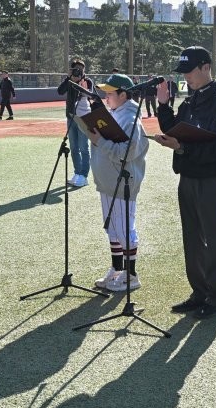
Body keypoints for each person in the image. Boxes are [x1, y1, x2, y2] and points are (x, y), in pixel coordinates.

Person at [153, 46, 216, 319]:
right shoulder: (189, 103)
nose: (186, 77)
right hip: (188, 178)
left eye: (189, 71)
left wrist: (182, 148)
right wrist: (164, 106)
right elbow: (174, 130)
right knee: (192, 239)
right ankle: (199, 292)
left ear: (205, 67)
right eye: (183, 72)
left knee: (214, 240)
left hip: (211, 181)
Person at [86, 74, 149, 292]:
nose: (106, 97)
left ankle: (131, 275)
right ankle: (116, 269)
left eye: (110, 93)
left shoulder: (130, 119)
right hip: (107, 182)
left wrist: (99, 141)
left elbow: (126, 153)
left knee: (124, 230)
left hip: (122, 184)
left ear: (123, 95)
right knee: (113, 230)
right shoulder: (116, 114)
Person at [56, 59, 94, 188]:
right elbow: (60, 91)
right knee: (74, 148)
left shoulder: (87, 81)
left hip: (84, 118)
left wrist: (84, 87)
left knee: (84, 147)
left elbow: (92, 97)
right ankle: (77, 173)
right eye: (76, 69)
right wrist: (68, 78)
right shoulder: (70, 81)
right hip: (71, 117)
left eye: (81, 69)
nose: (79, 71)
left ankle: (84, 176)